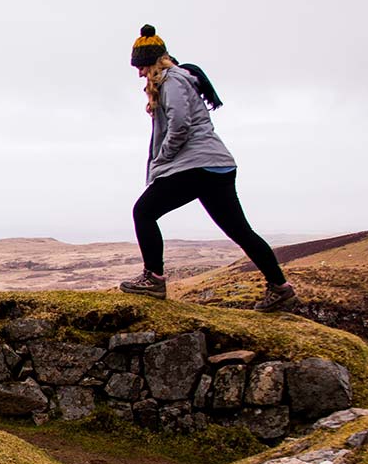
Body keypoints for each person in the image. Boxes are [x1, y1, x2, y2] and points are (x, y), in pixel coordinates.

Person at [117, 24, 297, 313]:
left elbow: (180, 125)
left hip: (196, 165)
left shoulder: (172, 80)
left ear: (153, 62)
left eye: (141, 66)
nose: (139, 73)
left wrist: (163, 158)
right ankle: (280, 287)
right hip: (217, 165)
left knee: (144, 211)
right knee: (240, 231)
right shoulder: (178, 79)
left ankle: (154, 279)